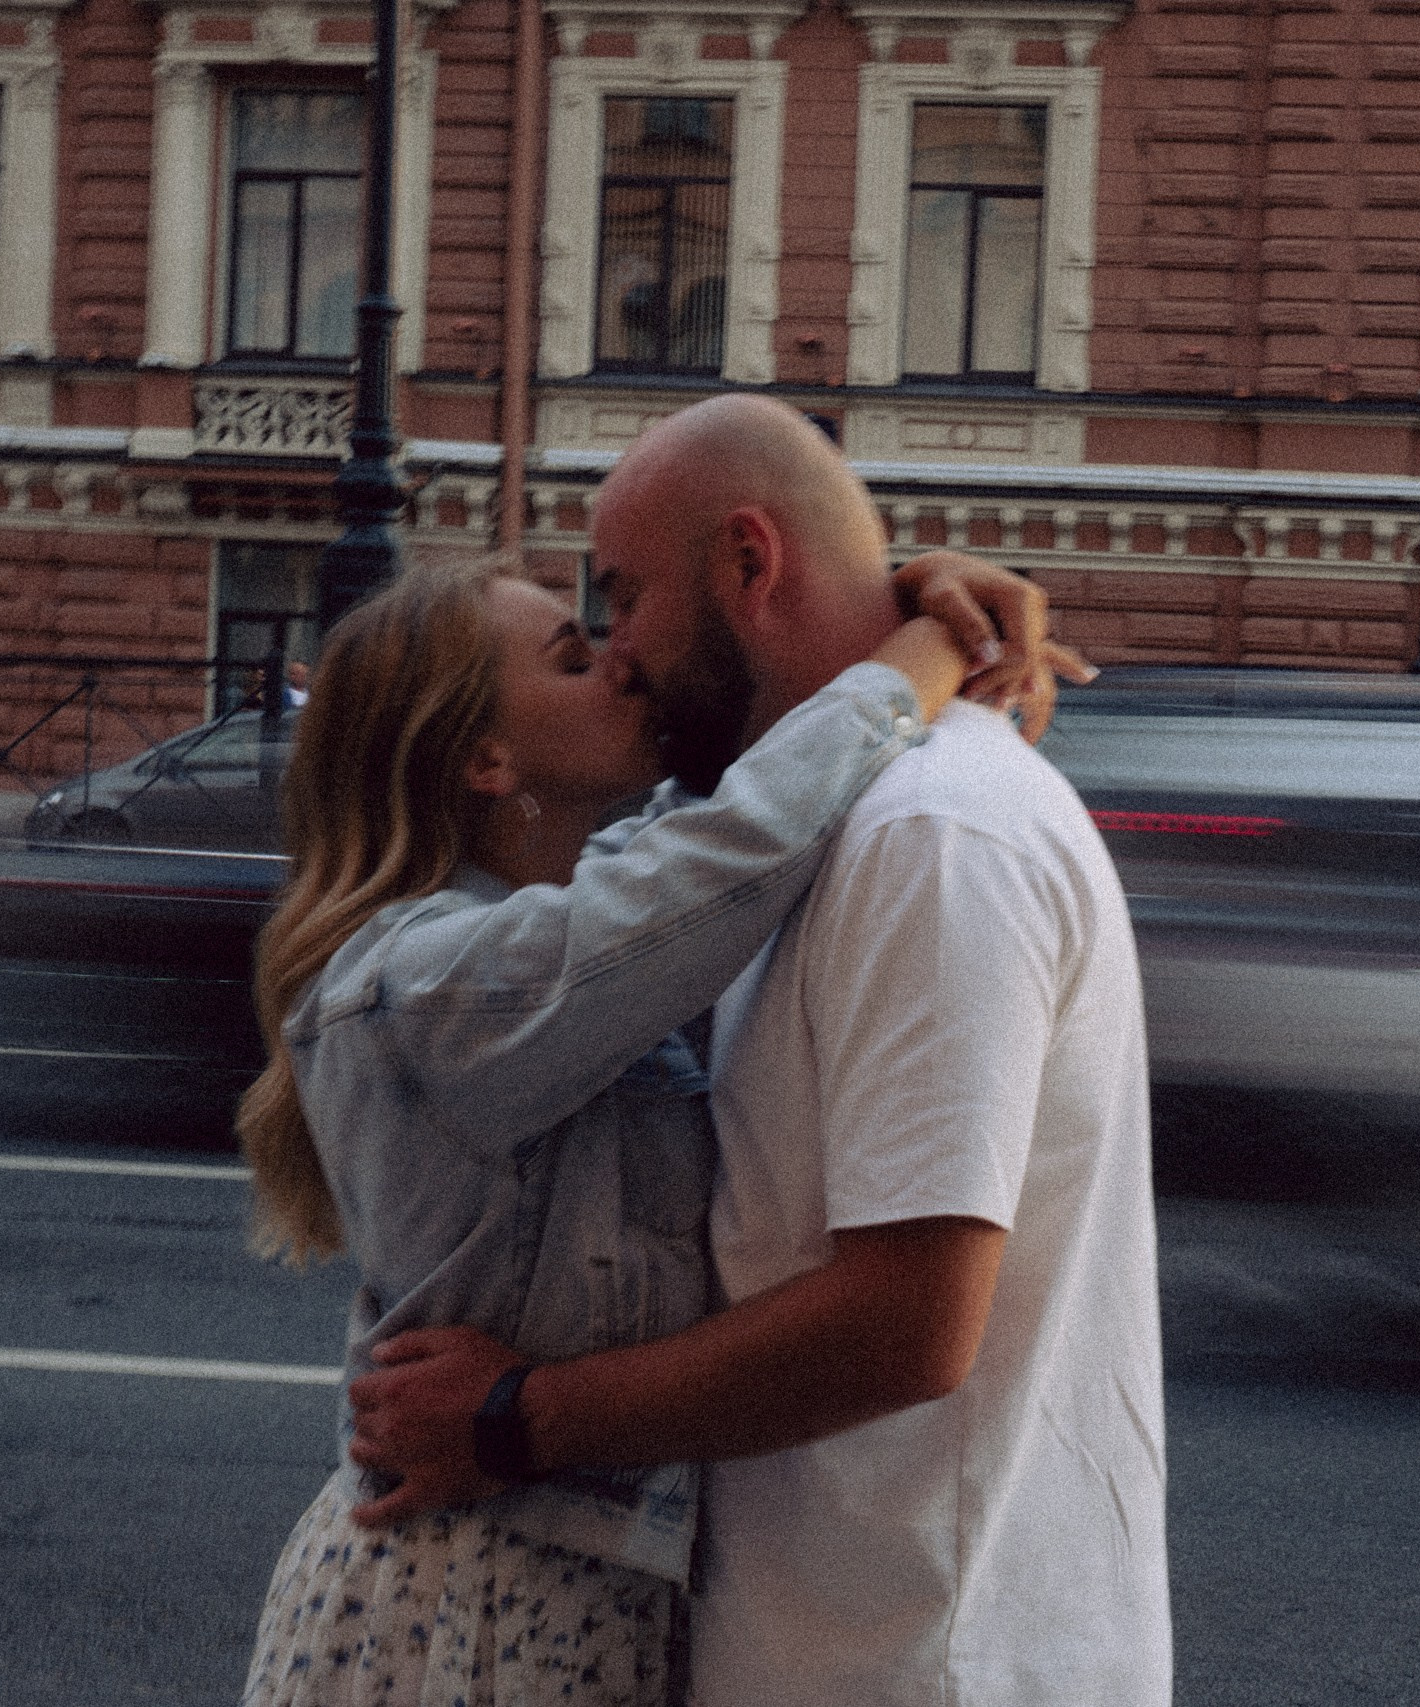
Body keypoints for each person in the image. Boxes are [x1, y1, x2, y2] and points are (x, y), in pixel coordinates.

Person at [350, 396, 1170, 1706]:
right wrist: (912, 610)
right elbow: (699, 846)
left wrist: (519, 1416)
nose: (619, 654)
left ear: (749, 563)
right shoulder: (796, 831)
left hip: (916, 1662)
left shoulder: (928, 837)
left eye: (621, 600)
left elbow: (909, 1323)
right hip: (832, 1636)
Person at [235, 544, 1064, 1707]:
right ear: (484, 757)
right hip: (477, 1601)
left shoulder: (546, 921)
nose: (621, 664)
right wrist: (926, 648)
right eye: (575, 655)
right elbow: (731, 852)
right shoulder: (432, 985)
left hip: (559, 1584)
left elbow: (705, 820)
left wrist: (868, 588)